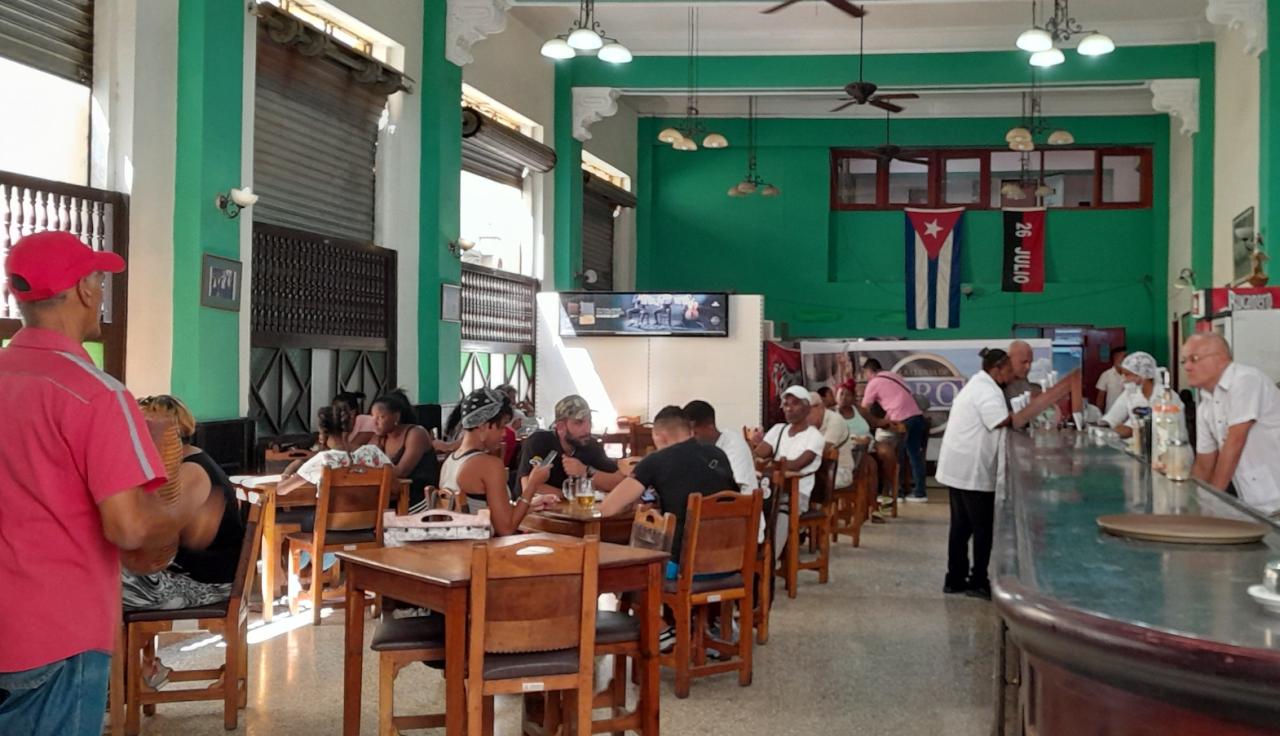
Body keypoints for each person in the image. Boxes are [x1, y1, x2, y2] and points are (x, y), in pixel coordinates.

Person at [0, 231, 179, 734]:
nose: (100, 292)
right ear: (83, 290)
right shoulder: (95, 394)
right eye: (98, 279)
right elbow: (127, 529)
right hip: (57, 631)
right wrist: (174, 517)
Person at [937, 349, 1081, 600]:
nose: (1014, 373)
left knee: (961, 526)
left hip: (958, 464)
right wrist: (1033, 409)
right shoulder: (987, 390)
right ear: (998, 369)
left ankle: (955, 578)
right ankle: (978, 580)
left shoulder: (980, 385)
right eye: (1012, 367)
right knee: (981, 527)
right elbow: (1003, 421)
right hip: (971, 467)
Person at [125, 395, 247, 688]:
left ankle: (130, 674)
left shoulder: (192, 471)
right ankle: (135, 670)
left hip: (206, 584)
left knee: (102, 583)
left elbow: (166, 533)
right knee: (103, 579)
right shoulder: (181, 466)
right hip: (186, 575)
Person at [600, 406, 738, 572]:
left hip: (683, 567)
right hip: (731, 561)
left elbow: (607, 509)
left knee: (629, 568)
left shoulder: (656, 461)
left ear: (661, 437)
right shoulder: (718, 454)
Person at [1184, 334, 1280, 516]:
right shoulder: (1206, 403)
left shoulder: (1246, 380)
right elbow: (1204, 464)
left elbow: (1235, 443)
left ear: (1220, 358)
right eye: (1184, 361)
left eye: (1194, 359)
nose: (1187, 367)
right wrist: (1192, 504)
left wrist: (1211, 504)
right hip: (1255, 506)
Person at [438, 388, 555, 533]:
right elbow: (505, 528)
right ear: (483, 426)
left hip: (459, 547)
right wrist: (532, 485)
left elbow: (484, 510)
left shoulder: (450, 461)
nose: (505, 433)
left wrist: (527, 505)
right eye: (502, 426)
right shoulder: (489, 465)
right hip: (483, 549)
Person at [748, 386, 826, 548]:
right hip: (770, 488)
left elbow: (797, 464)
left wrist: (768, 464)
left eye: (794, 403)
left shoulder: (814, 437)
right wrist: (751, 450)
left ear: (807, 408)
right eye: (786, 404)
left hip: (796, 493)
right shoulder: (778, 430)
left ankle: (770, 562)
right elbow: (759, 454)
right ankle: (751, 556)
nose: (789, 408)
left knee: (781, 509)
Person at [517, 395, 626, 495]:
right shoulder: (539, 442)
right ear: (560, 427)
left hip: (575, 514)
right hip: (532, 514)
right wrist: (570, 495)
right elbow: (528, 487)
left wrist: (585, 471)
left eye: (589, 421)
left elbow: (619, 482)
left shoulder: (591, 445)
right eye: (579, 422)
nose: (587, 428)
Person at [861, 359, 929, 503]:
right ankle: (920, 492)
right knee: (914, 456)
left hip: (901, 421)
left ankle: (897, 493)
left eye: (865, 373)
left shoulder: (873, 383)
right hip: (917, 416)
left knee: (893, 455)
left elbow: (864, 409)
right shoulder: (894, 376)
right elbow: (899, 399)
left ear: (869, 371)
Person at [372, 389, 438, 508]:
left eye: (380, 417)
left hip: (418, 500)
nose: (375, 422)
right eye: (372, 417)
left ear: (396, 417)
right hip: (392, 496)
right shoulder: (381, 439)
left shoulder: (416, 433)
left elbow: (401, 472)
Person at [684, 400, 757, 494]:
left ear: (710, 426)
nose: (691, 437)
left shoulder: (734, 445)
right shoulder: (700, 448)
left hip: (739, 504)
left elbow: (733, 488)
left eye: (695, 433)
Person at [1099, 351, 1158, 438]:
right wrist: (1103, 425)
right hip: (1139, 445)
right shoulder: (1130, 393)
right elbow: (1113, 416)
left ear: (1142, 375)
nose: (1124, 379)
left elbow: (1133, 429)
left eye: (1127, 375)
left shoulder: (1165, 396)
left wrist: (1127, 428)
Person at [835, 380, 873, 488]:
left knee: (880, 456)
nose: (843, 397)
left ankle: (875, 500)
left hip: (867, 444)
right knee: (869, 464)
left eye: (848, 395)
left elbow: (875, 422)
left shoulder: (860, 411)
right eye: (841, 394)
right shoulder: (832, 414)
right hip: (847, 449)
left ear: (853, 398)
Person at [1095, 346, 1128, 412]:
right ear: (1116, 357)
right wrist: (1099, 415)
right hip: (1110, 414)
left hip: (1127, 415)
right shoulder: (1106, 375)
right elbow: (1100, 397)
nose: (1126, 359)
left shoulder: (1130, 375)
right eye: (1124, 356)